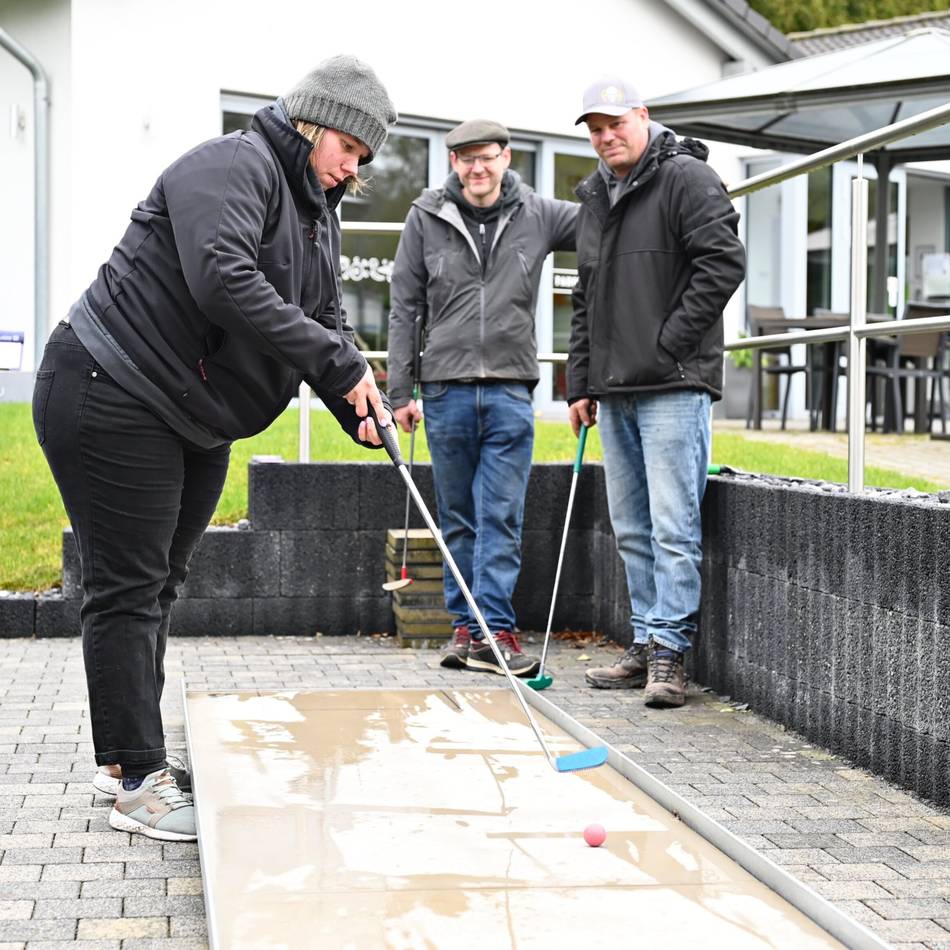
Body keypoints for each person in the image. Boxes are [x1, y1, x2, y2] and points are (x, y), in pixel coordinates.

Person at [32, 55, 397, 840]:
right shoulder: (232, 164)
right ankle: (140, 783)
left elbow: (325, 322)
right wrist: (338, 364)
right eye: (349, 147)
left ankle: (126, 756)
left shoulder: (316, 211)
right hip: (110, 385)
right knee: (128, 586)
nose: (352, 167)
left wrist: (361, 403)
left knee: (160, 582)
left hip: (190, 412)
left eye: (363, 158)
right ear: (315, 123)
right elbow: (222, 279)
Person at [569, 77, 745, 707]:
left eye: (615, 123)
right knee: (631, 528)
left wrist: (669, 344)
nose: (605, 137)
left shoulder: (687, 178)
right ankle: (645, 641)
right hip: (613, 390)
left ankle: (670, 651)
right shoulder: (595, 195)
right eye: (595, 129)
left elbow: (723, 263)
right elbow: (585, 297)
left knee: (673, 527)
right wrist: (580, 382)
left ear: (643, 116)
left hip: (673, 384)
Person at [388, 119, 577, 677]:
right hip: (444, 389)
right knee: (458, 519)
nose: (478, 168)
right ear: (453, 162)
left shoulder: (539, 213)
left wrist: (673, 172)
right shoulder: (426, 215)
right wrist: (400, 392)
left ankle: (493, 631)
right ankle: (467, 627)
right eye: (467, 158)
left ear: (506, 157)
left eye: (487, 157)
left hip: (510, 389)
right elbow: (405, 307)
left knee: (500, 517)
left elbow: (607, 219)